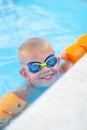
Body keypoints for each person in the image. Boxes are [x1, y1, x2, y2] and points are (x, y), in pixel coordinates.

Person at [0, 34, 87, 128]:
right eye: (35, 66)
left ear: (57, 61)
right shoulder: (24, 95)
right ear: (25, 74)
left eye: (50, 61)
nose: (45, 69)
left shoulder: (67, 69)